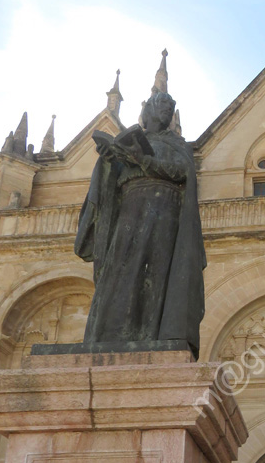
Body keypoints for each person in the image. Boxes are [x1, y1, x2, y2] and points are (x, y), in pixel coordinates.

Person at [74, 90, 206, 358]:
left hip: (163, 210)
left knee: (156, 273)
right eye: (161, 107)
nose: (165, 112)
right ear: (147, 111)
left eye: (169, 109)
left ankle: (150, 331)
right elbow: (108, 185)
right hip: (129, 210)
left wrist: (142, 160)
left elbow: (183, 173)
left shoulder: (178, 144)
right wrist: (110, 159)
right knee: (118, 270)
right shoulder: (140, 139)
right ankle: (108, 334)